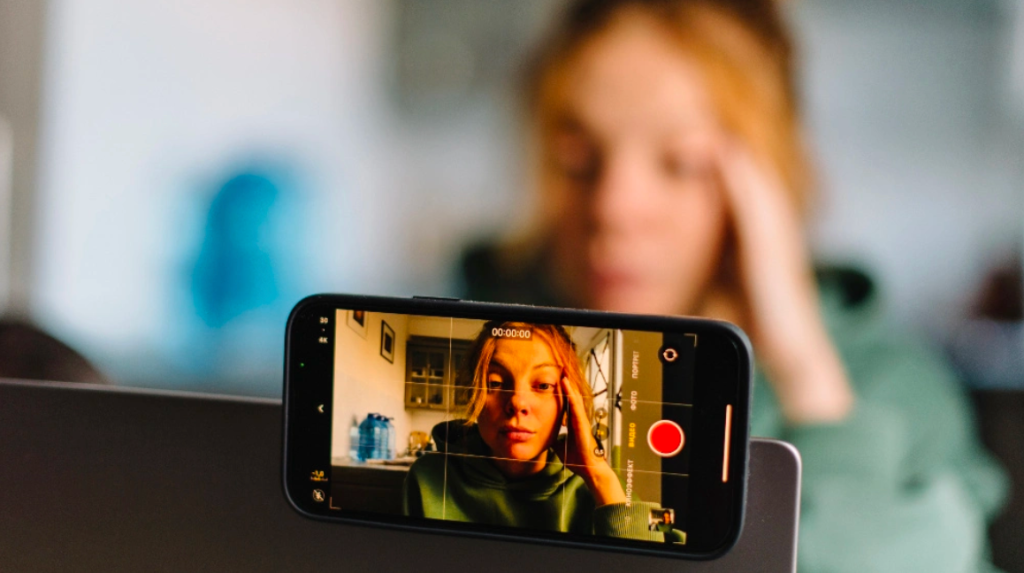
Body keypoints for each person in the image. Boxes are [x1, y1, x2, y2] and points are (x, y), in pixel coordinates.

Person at [459, 0, 1008, 570]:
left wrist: (804, 372)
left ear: (766, 183)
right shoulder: (482, 332)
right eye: (576, 161)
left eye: (682, 163)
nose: (613, 207)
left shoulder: (896, 387)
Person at [404, 320, 677, 542]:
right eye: (495, 383)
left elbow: (670, 547)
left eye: (544, 385)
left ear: (569, 403)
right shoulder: (427, 477)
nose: (517, 402)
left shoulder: (611, 489)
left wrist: (599, 476)